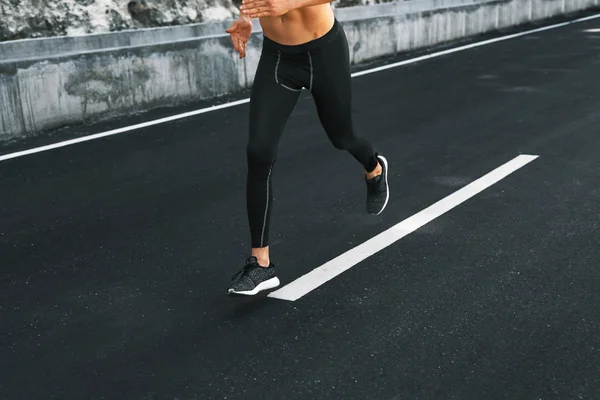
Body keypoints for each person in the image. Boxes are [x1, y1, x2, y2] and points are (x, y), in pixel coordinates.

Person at [225, 0, 390, 295]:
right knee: (259, 152)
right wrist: (246, 17)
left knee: (342, 137)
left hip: (323, 52)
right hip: (278, 57)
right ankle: (261, 265)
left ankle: (374, 168)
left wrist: (287, 2)